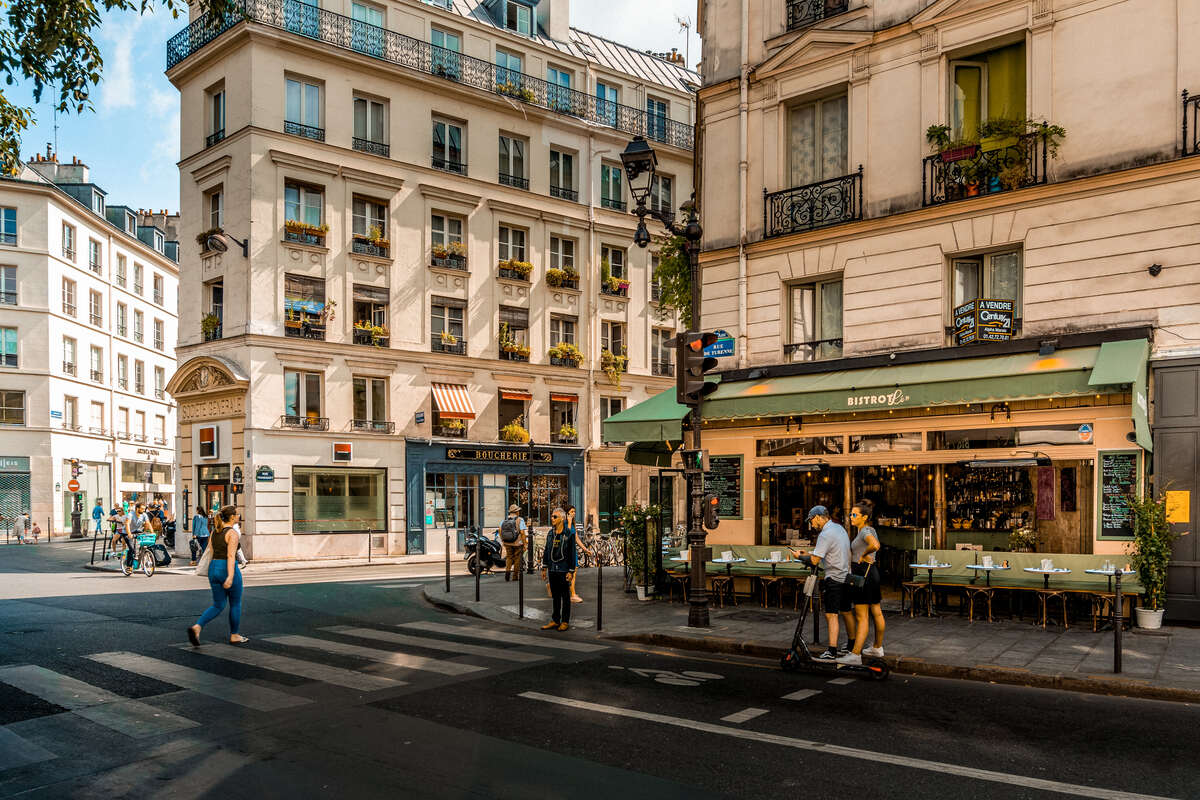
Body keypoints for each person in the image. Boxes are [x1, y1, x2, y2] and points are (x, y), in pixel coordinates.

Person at [790, 504, 855, 662]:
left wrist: (799, 557)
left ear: (818, 517)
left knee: (831, 614)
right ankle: (852, 645)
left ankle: (831, 651)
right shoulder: (838, 528)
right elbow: (828, 551)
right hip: (846, 576)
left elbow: (814, 561)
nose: (811, 524)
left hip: (834, 578)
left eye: (812, 520)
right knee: (846, 611)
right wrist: (809, 553)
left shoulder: (825, 534)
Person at [188, 505, 249, 646]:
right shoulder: (232, 533)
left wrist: (211, 571)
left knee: (218, 604)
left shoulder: (214, 532)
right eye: (237, 514)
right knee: (235, 603)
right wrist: (230, 576)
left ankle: (197, 627)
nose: (239, 516)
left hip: (213, 568)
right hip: (226, 568)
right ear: (232, 517)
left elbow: (209, 551)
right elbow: (230, 555)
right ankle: (234, 635)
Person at [847, 500, 885, 661]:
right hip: (872, 574)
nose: (850, 517)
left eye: (854, 514)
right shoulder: (868, 530)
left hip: (864, 574)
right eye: (850, 514)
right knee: (876, 612)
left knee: (861, 616)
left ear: (864, 517)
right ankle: (877, 647)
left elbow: (875, 545)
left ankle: (855, 654)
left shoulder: (864, 531)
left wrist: (863, 555)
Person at [539, 507, 576, 631]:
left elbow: (572, 553)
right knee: (555, 596)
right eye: (552, 516)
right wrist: (544, 568)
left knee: (565, 596)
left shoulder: (568, 533)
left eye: (555, 517)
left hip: (563, 569)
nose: (552, 519)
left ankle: (565, 621)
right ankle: (555, 620)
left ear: (562, 518)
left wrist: (571, 571)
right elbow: (547, 550)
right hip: (552, 569)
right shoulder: (551, 533)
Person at [566, 505, 592, 603]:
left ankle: (572, 592)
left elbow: (576, 538)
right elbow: (567, 535)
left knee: (574, 572)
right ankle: (572, 595)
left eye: (574, 511)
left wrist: (585, 549)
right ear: (567, 513)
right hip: (566, 552)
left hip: (573, 551)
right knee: (571, 573)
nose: (574, 513)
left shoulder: (573, 524)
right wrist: (568, 521)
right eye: (572, 511)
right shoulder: (565, 523)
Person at [499, 504, 527, 581]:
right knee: (517, 559)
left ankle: (507, 574)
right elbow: (522, 532)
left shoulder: (504, 520)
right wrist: (525, 544)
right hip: (517, 543)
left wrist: (503, 539)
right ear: (517, 512)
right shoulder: (520, 520)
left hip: (507, 543)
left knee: (509, 557)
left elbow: (500, 530)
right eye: (518, 511)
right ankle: (515, 576)